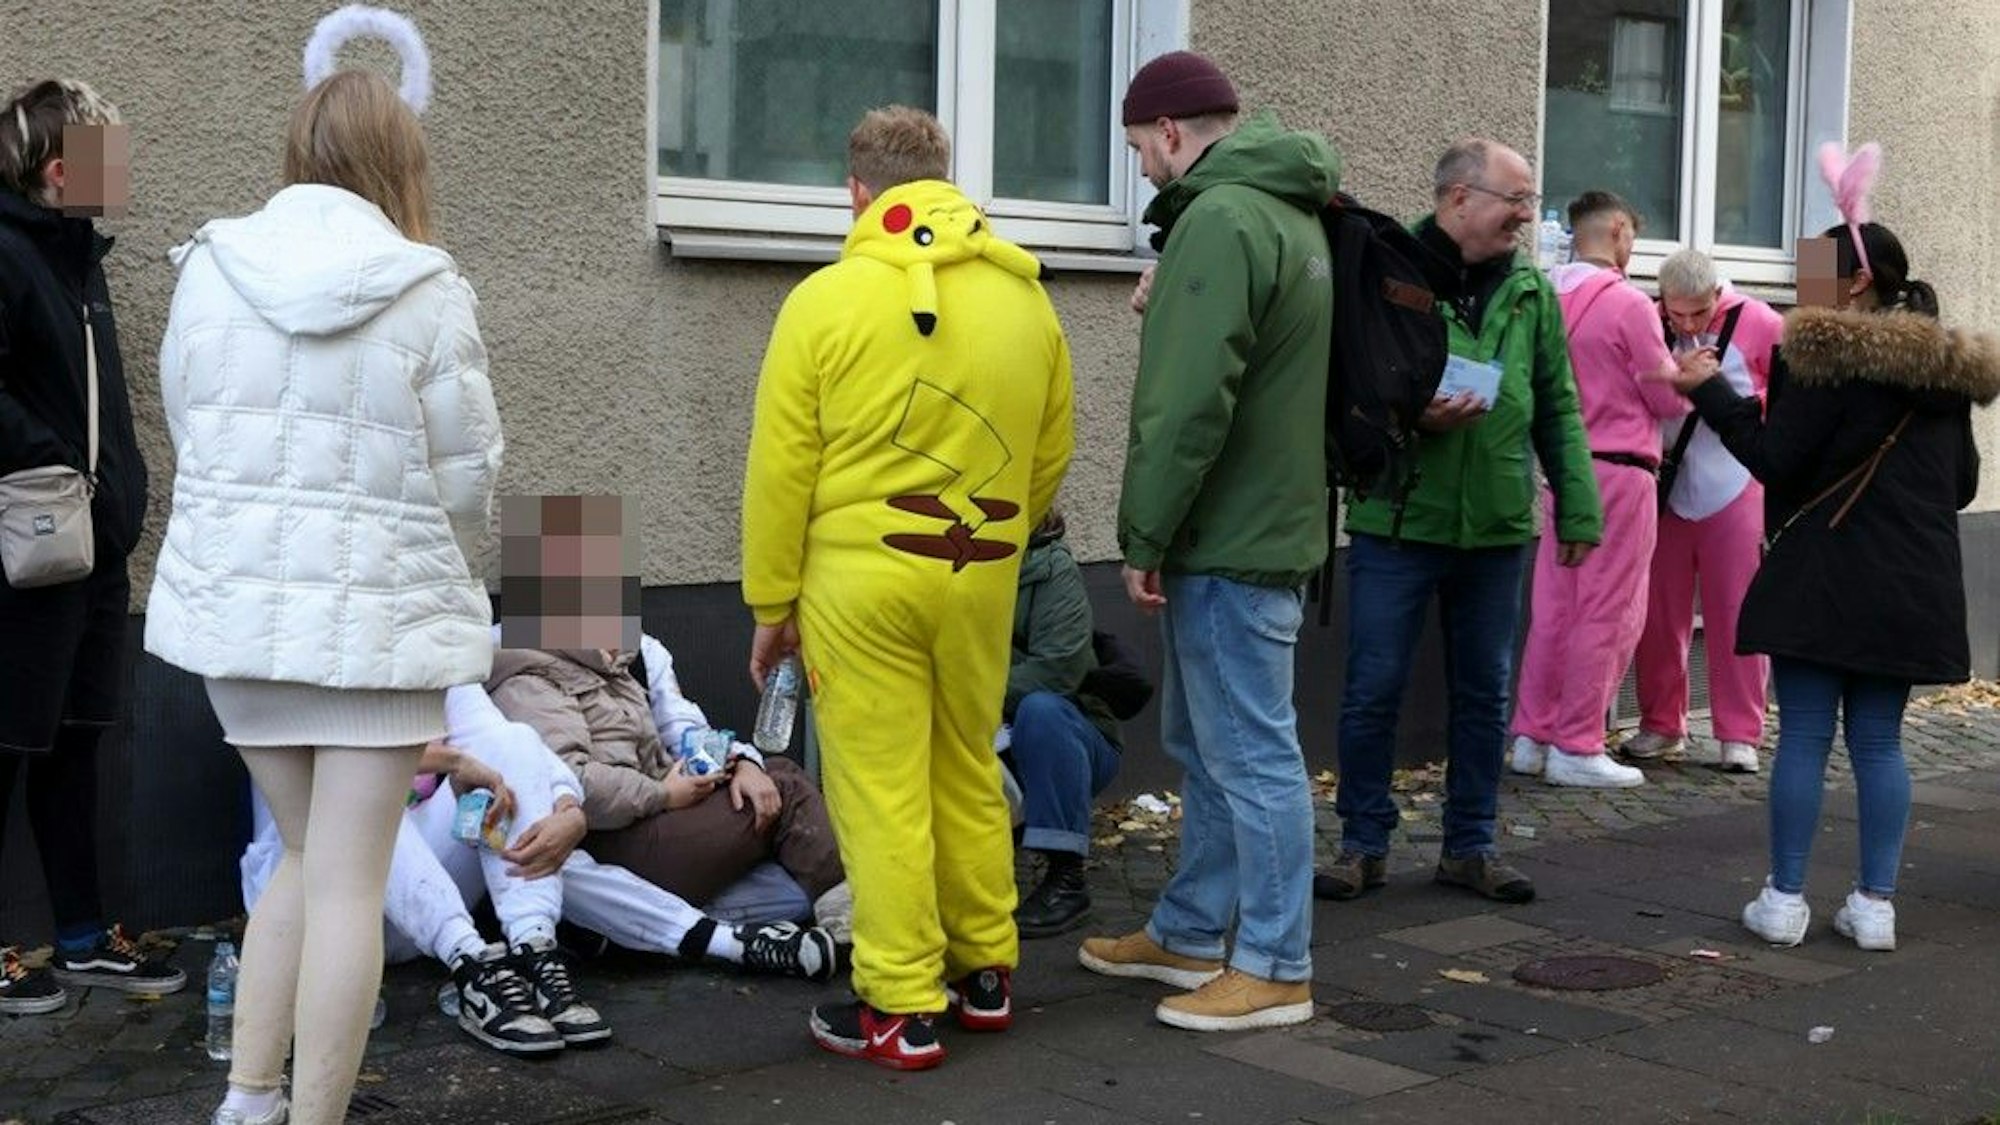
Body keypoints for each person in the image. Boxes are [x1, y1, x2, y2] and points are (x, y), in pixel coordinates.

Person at [149, 70, 503, 1125]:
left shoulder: (207, 268)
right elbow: (468, 476)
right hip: (381, 630)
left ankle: (249, 1101)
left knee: (305, 862)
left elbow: (193, 429)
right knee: (350, 877)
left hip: (241, 627)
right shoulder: (426, 284)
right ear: (399, 161)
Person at [741, 104, 1073, 1070]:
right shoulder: (1027, 298)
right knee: (965, 761)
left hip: (857, 581)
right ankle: (985, 970)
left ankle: (897, 1000)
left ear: (858, 192)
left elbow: (780, 471)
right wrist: (995, 536)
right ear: (943, 180)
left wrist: (772, 602)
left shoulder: (826, 300)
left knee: (880, 788)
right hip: (978, 571)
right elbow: (1049, 452)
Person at [1075, 51, 1333, 1033]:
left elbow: (1186, 405)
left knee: (1251, 755)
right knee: (1209, 743)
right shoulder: (1282, 210)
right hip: (1257, 526)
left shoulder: (1220, 219)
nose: (1142, 168)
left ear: (1172, 132)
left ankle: (1273, 964)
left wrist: (1143, 533)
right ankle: (1189, 932)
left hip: (1227, 535)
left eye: (1140, 147)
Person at [1656, 218, 1996, 953]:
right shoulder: (1945, 368)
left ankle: (1783, 900)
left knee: (1805, 735)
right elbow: (1963, 484)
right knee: (1879, 741)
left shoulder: (1822, 354)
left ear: (1857, 282)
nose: (1801, 283)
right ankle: (1875, 907)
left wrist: (1714, 390)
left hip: (1823, 573)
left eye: (1814, 269)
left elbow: (1776, 458)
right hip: (1911, 582)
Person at [239, 681, 839, 1055]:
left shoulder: (435, 661)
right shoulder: (302, 659)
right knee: (360, 802)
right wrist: (453, 760)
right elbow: (330, 757)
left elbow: (507, 742)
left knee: (520, 765)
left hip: (429, 893)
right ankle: (473, 965)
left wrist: (565, 810)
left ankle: (535, 949)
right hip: (318, 899)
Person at [1319, 139, 1600, 906]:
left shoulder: (1532, 293)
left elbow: (1559, 403)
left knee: (1485, 693)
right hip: (1400, 520)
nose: (1524, 214)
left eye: (1527, 200)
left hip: (1500, 527)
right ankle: (1362, 842)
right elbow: (1348, 382)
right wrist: (1411, 416)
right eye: (1513, 198)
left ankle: (1470, 845)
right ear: (1457, 200)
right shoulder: (1388, 270)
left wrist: (1577, 503)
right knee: (1373, 688)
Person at [0, 79, 178, 1016]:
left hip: (96, 550)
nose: (125, 172)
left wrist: (124, 487)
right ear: (59, 171)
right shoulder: (7, 254)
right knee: (5, 741)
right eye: (107, 155)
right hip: (25, 549)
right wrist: (57, 464)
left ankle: (81, 934)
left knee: (77, 743)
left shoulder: (83, 261)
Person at [482, 631, 853, 944]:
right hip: (612, 842)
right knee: (786, 790)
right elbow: (568, 782)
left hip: (652, 817)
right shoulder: (528, 678)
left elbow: (683, 727)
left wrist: (741, 764)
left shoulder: (623, 657)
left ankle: (842, 903)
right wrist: (663, 795)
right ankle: (852, 927)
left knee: (773, 772)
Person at [1509, 191, 1693, 789]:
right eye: (1633, 238)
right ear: (1618, 230)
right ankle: (1579, 742)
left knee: (1554, 609)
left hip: (1561, 467)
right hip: (1619, 469)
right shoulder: (1629, 305)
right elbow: (1664, 398)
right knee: (1608, 612)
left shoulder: (1541, 292)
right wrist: (1695, 378)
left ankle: (1532, 737)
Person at [1629, 248, 1784, 773]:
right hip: (1668, 485)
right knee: (1656, 612)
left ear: (1719, 295)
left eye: (1699, 312)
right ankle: (1660, 723)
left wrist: (1737, 398)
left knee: (1736, 613)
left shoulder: (1760, 320)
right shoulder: (1647, 320)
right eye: (1678, 313)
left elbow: (1789, 396)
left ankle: (1739, 732)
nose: (1689, 321)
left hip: (1736, 486)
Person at [1003, 511, 1123, 938]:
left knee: (1041, 709)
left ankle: (1067, 880)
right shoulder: (947, 562)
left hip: (1075, 734)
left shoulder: (1053, 570)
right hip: (988, 726)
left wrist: (965, 695)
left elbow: (1057, 673)